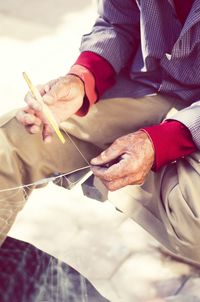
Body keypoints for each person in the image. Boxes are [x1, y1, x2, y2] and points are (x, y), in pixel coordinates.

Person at [1, 0, 200, 265]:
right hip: (148, 85)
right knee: (14, 141)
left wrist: (163, 143)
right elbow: (116, 23)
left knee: (192, 218)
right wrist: (83, 79)